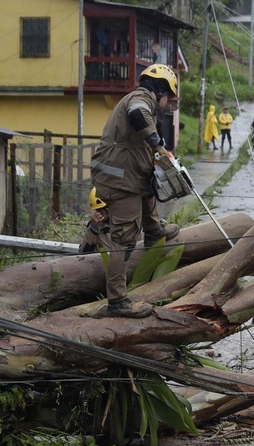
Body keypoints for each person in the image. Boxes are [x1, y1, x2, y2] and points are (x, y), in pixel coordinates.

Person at [90, 63, 181, 318]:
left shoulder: (145, 103)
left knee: (147, 191)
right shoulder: (140, 99)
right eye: (168, 97)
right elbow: (137, 113)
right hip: (119, 181)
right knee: (124, 240)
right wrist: (157, 143)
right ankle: (117, 302)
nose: (167, 103)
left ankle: (154, 231)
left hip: (131, 176)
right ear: (159, 90)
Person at [78, 188, 112, 254]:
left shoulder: (126, 223)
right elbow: (83, 253)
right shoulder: (97, 225)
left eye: (100, 209)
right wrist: (93, 230)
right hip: (101, 263)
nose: (98, 213)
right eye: (97, 210)